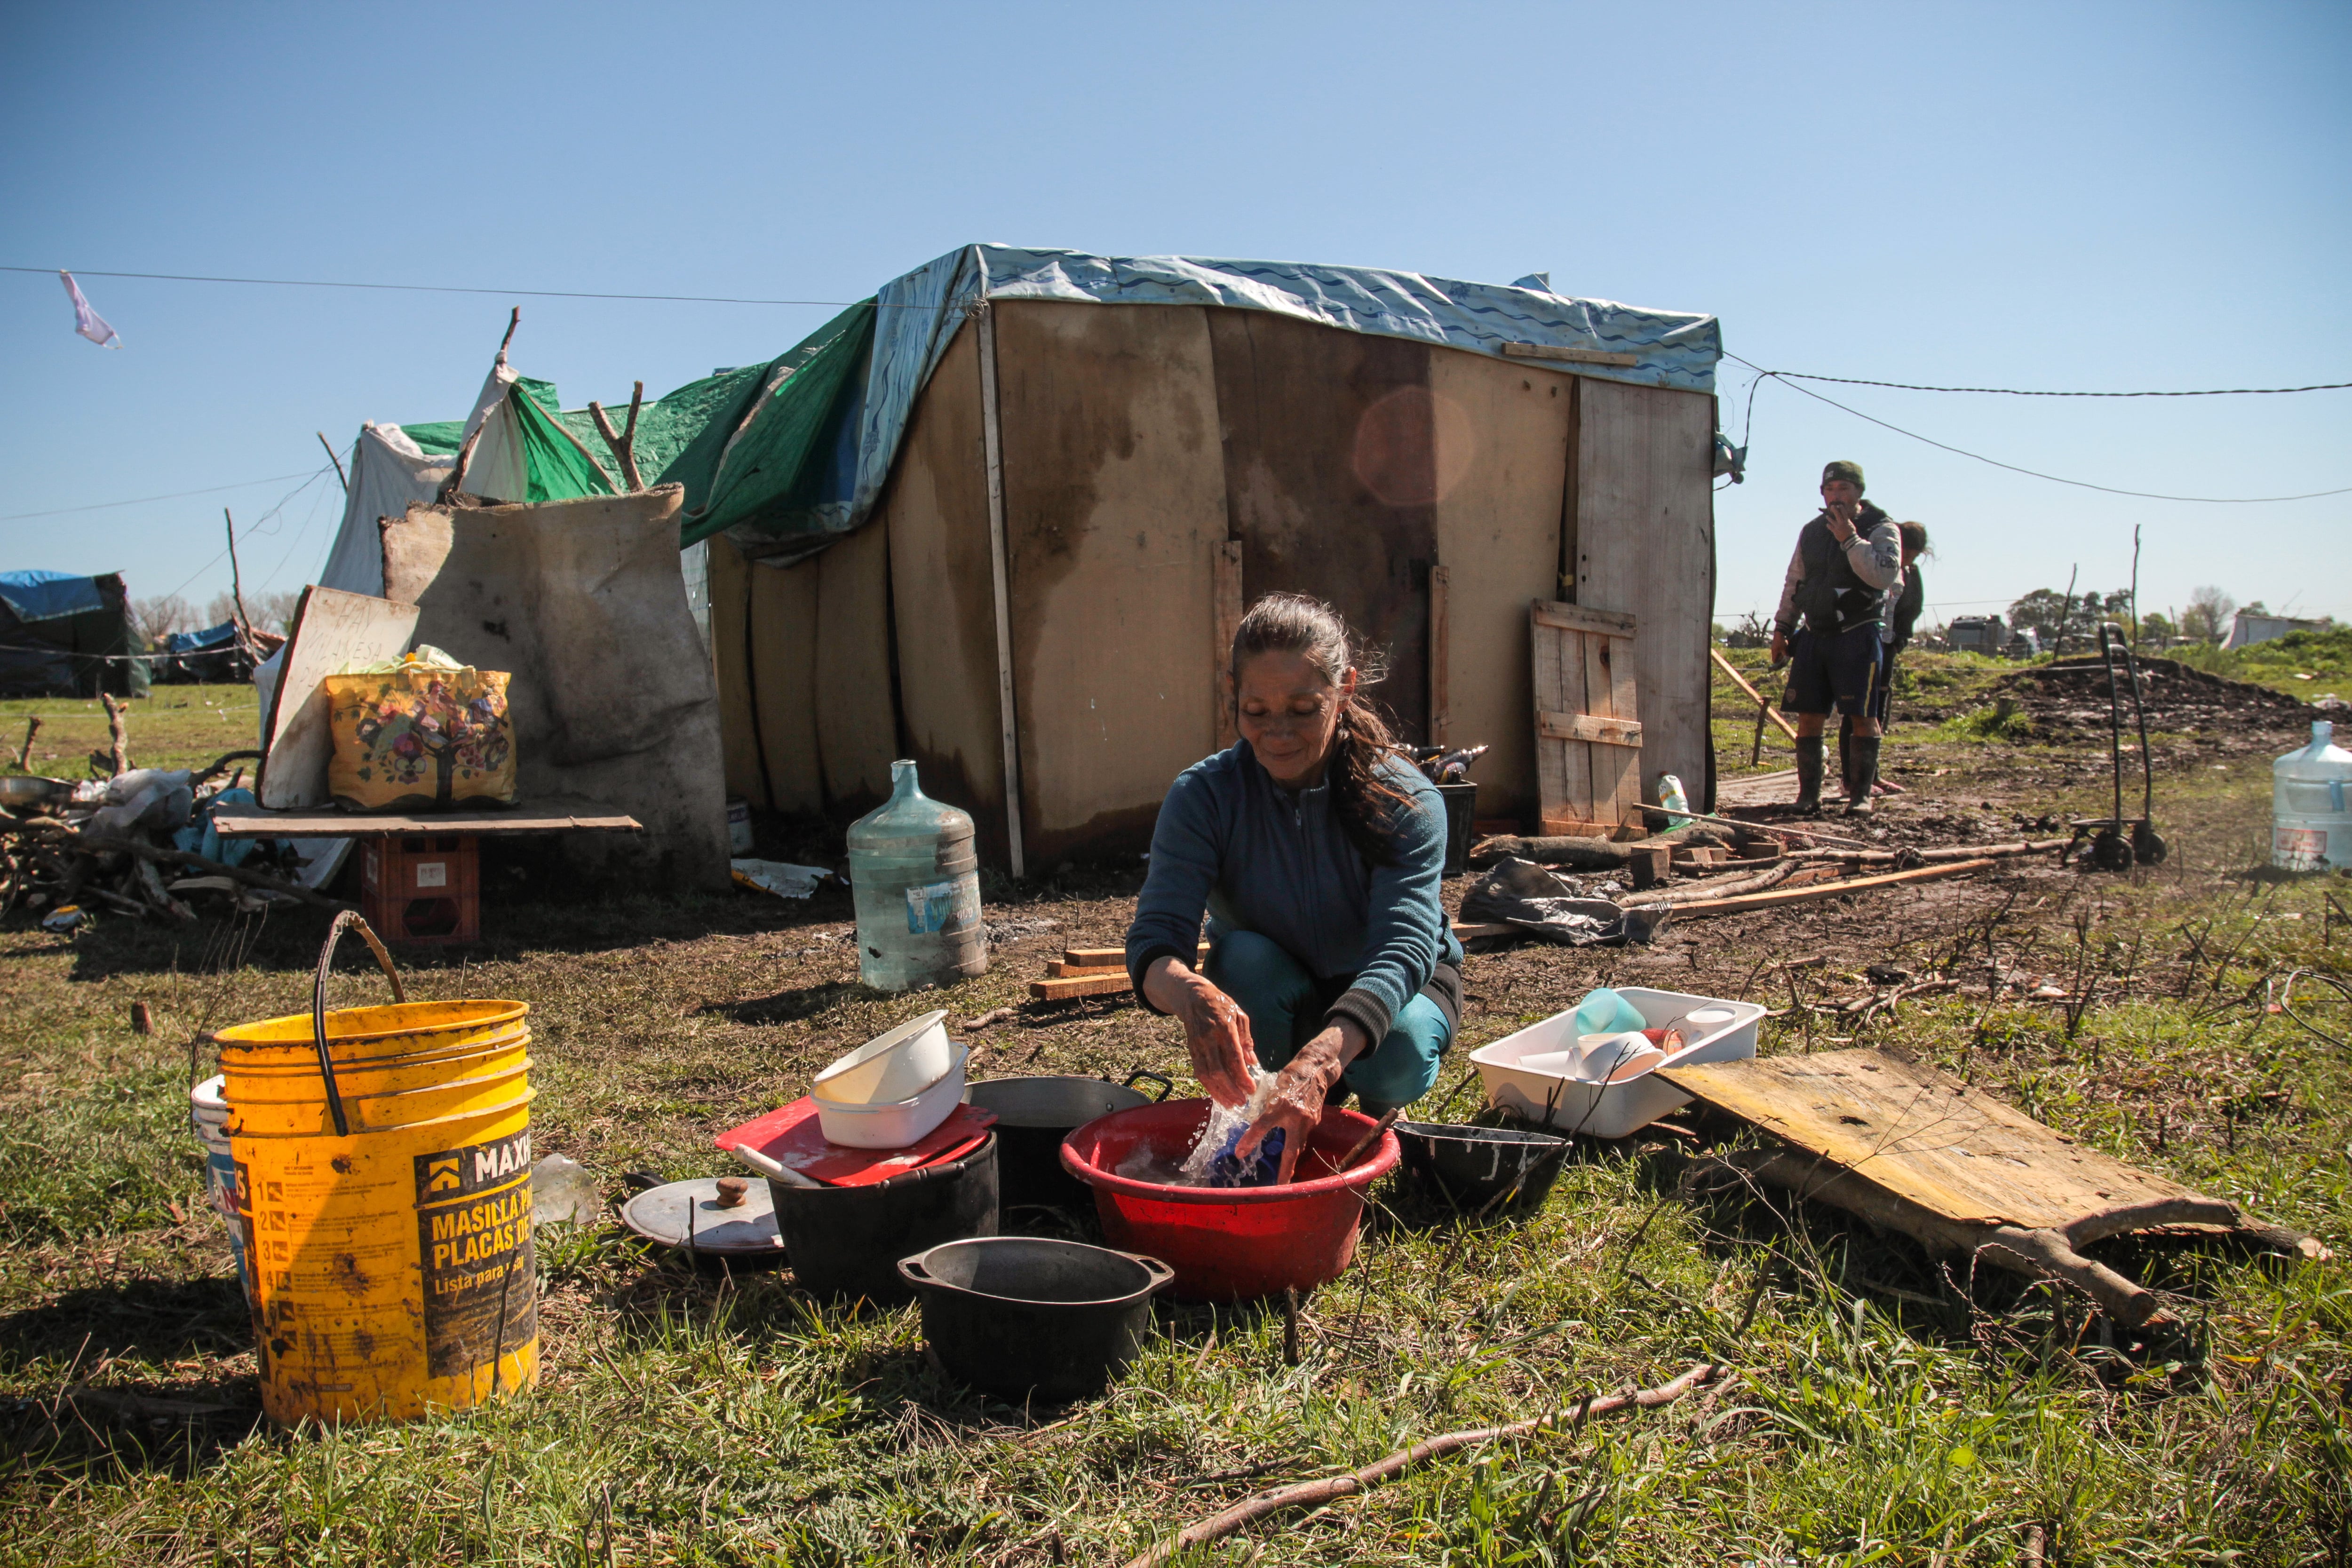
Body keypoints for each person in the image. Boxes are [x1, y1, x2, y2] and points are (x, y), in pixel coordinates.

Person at [1124, 593, 1462, 1183]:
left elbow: (1402, 948)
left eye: (1304, 709)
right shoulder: (1204, 798)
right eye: (1255, 710)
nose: (1277, 734)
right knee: (1243, 960)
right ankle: (1272, 1114)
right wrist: (1189, 995)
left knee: (1398, 1051)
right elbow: (1155, 941)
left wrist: (1325, 1058)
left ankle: (1379, 1122)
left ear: (1346, 689)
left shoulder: (1404, 800)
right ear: (1232, 693)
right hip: (1275, 984)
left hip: (1386, 987)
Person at [1770, 460, 1903, 815]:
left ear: (1859, 492)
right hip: (1815, 634)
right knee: (1809, 715)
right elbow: (1795, 580)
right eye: (1830, 489)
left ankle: (1861, 796)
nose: (1836, 496)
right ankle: (1808, 796)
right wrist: (1783, 628)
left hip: (1857, 635)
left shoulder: (1881, 527)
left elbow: (1883, 576)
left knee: (1862, 715)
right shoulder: (1812, 531)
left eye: (1844, 488)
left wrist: (1850, 540)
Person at [1840, 519, 1929, 792]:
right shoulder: (1875, 563)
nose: (1906, 563)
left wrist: (1900, 638)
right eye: (1905, 556)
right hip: (1864, 643)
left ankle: (1871, 775)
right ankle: (1851, 779)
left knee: (1878, 710)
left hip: (1887, 646)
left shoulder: (1910, 573)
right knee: (1859, 710)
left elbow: (1912, 607)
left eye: (1912, 559)